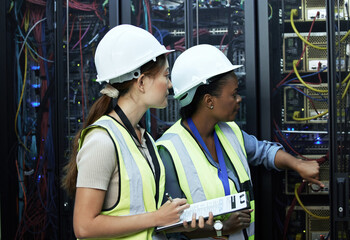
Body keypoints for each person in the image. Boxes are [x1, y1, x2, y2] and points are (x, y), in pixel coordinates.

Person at [156, 44, 324, 240]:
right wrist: (221, 228)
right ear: (209, 101)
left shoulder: (230, 132)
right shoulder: (169, 150)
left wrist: (298, 164)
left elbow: (264, 152)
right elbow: (172, 226)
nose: (239, 99)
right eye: (233, 94)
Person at [61, 25, 211, 240]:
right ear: (141, 82)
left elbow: (142, 220)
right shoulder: (102, 141)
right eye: (166, 76)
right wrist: (157, 218)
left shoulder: (145, 139)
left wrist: (180, 223)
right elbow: (84, 227)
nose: (170, 85)